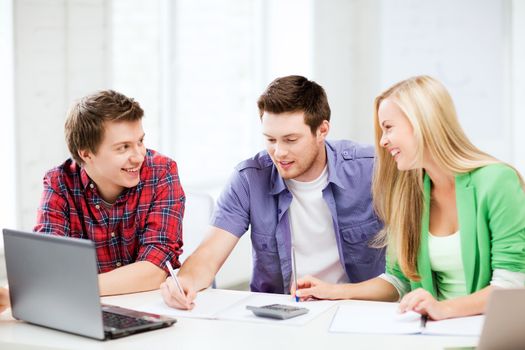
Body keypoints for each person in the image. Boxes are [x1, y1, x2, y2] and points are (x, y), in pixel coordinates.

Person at [294, 75, 525, 320]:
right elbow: (398, 280)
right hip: (433, 333)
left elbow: (512, 284)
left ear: (422, 123)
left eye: (389, 127)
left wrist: (442, 308)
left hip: (485, 331)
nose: (382, 141)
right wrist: (333, 291)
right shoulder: (409, 192)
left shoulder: (497, 181)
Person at [161, 75, 384, 310]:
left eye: (290, 140)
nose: (279, 152)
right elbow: (208, 255)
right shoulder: (249, 178)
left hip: (356, 308)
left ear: (322, 130)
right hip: (279, 313)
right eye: (270, 139)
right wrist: (184, 282)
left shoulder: (371, 169)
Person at [34, 90, 185, 296]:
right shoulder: (59, 182)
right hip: (88, 307)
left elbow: (154, 270)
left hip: (152, 304)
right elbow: (47, 261)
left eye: (140, 142)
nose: (139, 156)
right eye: (123, 148)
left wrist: (68, 286)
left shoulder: (161, 171)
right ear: (86, 154)